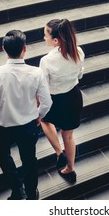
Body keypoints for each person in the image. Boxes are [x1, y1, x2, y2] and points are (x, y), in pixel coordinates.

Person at [0, 30, 52, 200]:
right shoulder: (36, 73)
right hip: (27, 126)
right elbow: (47, 103)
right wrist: (38, 116)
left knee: (2, 156)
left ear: (4, 49)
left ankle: (17, 189)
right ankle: (32, 193)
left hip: (3, 127)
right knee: (29, 160)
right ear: (25, 48)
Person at [39, 18, 84, 184]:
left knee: (44, 121)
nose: (44, 38)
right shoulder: (78, 52)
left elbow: (42, 86)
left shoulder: (47, 61)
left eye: (45, 35)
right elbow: (80, 75)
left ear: (56, 40)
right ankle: (70, 168)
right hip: (73, 97)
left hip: (55, 100)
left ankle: (59, 153)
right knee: (69, 135)